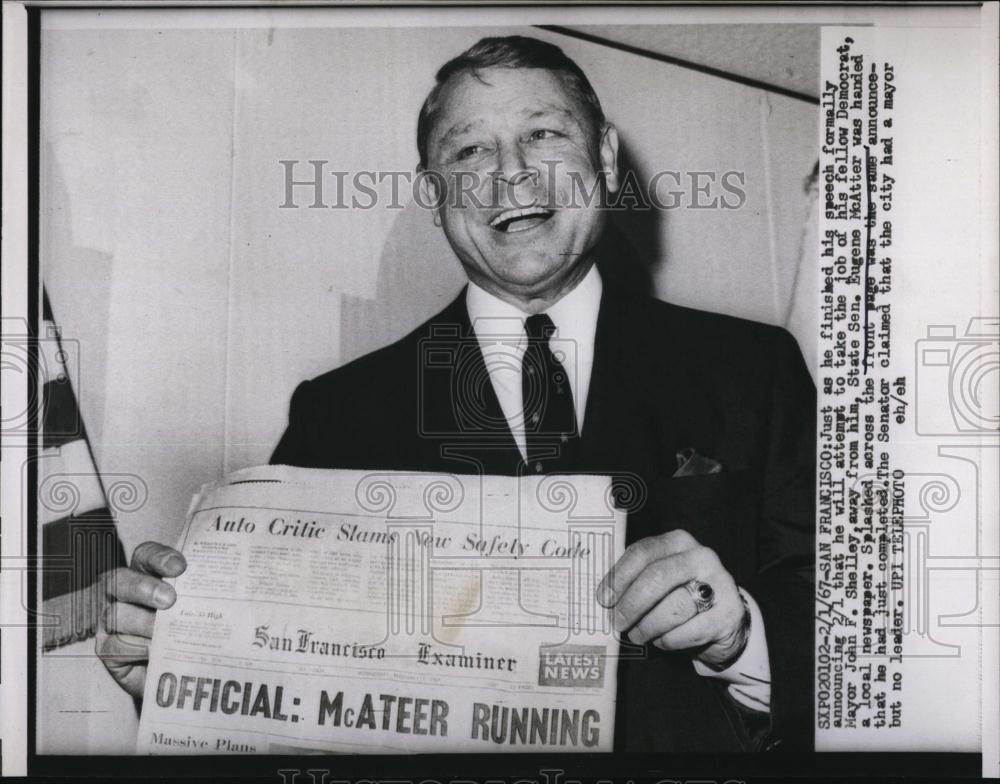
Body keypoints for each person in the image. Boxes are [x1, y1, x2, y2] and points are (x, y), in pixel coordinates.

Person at [96, 35, 815, 753]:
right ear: (433, 195)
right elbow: (281, 687)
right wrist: (175, 673)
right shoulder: (337, 415)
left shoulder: (754, 369)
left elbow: (861, 640)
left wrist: (740, 635)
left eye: (543, 134)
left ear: (603, 158)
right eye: (469, 152)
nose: (511, 176)